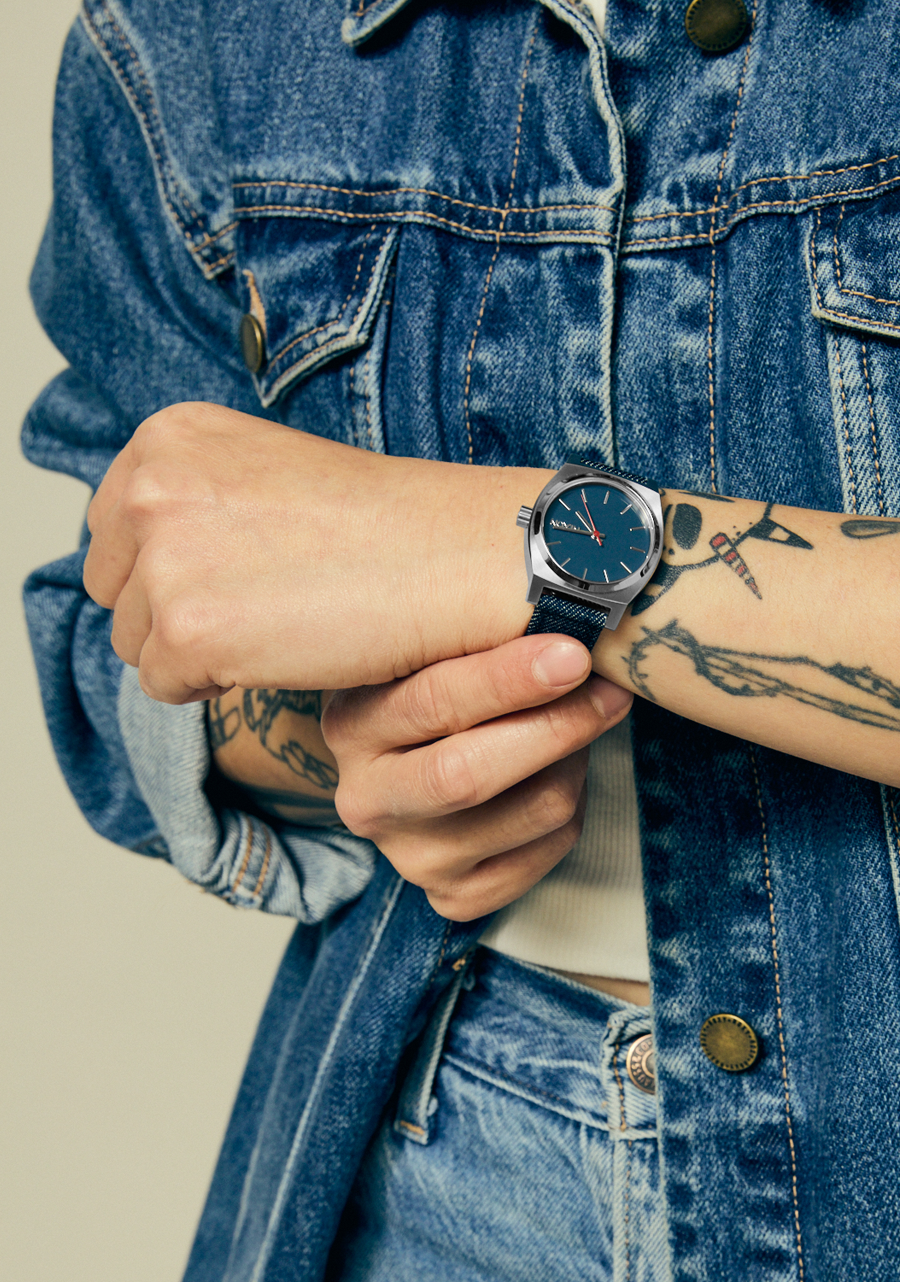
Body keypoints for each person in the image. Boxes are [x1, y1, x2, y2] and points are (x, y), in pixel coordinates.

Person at [23, 0, 900, 1277]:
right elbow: (126, 624)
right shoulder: (194, 40)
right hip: (444, 1148)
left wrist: (492, 545)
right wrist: (361, 745)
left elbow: (425, 549)